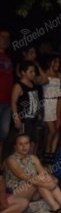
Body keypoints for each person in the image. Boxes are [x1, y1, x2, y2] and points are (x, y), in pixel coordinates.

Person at [4, 134, 61, 213]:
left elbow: (44, 174)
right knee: (40, 180)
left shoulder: (33, 158)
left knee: (45, 178)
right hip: (17, 192)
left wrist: (53, 180)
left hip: (33, 191)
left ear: (30, 145)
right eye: (20, 144)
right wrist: (46, 183)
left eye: (26, 143)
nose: (24, 147)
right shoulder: (11, 160)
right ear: (15, 146)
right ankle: (56, 209)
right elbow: (23, 176)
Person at [11, 61, 42, 154]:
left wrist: (38, 113)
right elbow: (13, 103)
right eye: (31, 71)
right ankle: (20, 163)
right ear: (23, 72)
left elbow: (35, 99)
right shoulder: (18, 86)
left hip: (34, 118)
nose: (33, 74)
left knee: (34, 141)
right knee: (23, 142)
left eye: (34, 71)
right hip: (25, 119)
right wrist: (16, 119)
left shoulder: (33, 84)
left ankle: (30, 162)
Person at [40, 55, 61, 163]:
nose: (57, 64)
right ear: (50, 62)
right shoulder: (44, 75)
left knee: (56, 129)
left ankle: (51, 153)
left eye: (59, 62)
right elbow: (39, 81)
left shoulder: (60, 75)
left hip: (57, 102)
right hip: (47, 102)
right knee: (51, 130)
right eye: (55, 62)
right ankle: (46, 151)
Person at [0, 29, 13, 158]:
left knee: (3, 135)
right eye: (2, 37)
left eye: (8, 37)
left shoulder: (8, 59)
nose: (6, 40)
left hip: (7, 102)